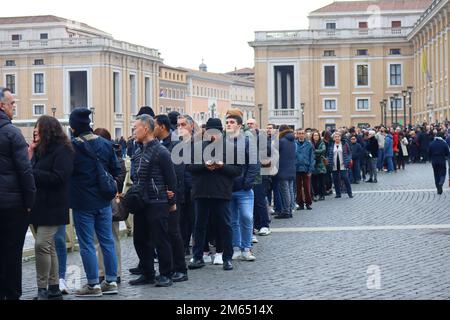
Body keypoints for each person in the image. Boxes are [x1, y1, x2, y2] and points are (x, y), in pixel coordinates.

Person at [69, 108, 121, 297]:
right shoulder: (106, 145)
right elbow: (116, 169)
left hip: (82, 202)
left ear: (73, 127)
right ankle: (111, 281)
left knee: (87, 244)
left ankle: (93, 285)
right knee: (107, 241)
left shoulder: (72, 147)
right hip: (104, 201)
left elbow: (66, 172)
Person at [28, 116, 74, 300]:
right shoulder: (40, 150)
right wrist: (30, 154)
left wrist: (33, 172)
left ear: (48, 130)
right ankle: (54, 288)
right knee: (50, 247)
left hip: (54, 207)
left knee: (41, 245)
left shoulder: (63, 150)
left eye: (38, 129)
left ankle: (42, 288)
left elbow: (59, 178)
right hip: (39, 206)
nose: (35, 132)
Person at [129, 114, 177, 287]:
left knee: (160, 239)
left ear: (146, 129)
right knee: (140, 239)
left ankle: (166, 274)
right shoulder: (137, 150)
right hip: (141, 201)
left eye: (136, 128)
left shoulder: (161, 151)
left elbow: (171, 179)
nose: (133, 131)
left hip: (158, 201)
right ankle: (148, 273)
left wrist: (172, 202)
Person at [187, 118, 242, 271]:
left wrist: (222, 166)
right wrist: (205, 166)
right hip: (202, 192)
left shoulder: (230, 147)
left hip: (221, 192)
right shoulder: (197, 147)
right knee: (199, 226)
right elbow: (189, 167)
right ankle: (197, 257)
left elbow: (237, 171)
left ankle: (227, 258)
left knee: (225, 225)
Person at [0, 87, 36, 300]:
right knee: (12, 252)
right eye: (12, 103)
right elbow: (25, 171)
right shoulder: (12, 133)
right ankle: (12, 295)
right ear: (2, 106)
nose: (14, 107)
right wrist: (30, 201)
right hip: (12, 204)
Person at [154, 114, 189, 282]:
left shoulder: (176, 145)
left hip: (172, 195)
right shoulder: (157, 144)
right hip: (160, 195)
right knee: (165, 233)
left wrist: (173, 195)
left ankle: (181, 268)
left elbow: (178, 173)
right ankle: (169, 267)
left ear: (162, 126)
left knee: (174, 232)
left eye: (153, 125)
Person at [93, 128, 127, 285]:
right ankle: (101, 272)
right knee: (98, 240)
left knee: (112, 238)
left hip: (110, 201)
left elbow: (119, 180)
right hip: (95, 201)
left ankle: (116, 272)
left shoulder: (116, 158)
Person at [226, 113, 259, 261]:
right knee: (233, 220)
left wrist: (247, 182)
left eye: (232, 122)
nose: (228, 124)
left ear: (239, 125)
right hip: (227, 188)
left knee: (246, 217)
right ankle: (236, 247)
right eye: (227, 122)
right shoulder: (221, 143)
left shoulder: (247, 142)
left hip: (243, 188)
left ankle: (247, 248)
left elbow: (254, 164)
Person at [274, 125, 296, 219]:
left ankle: (286, 211)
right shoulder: (292, 141)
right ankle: (290, 209)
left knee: (285, 191)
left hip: (283, 169)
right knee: (290, 190)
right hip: (291, 168)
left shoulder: (282, 141)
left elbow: (273, 152)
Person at [327, 132, 353, 199]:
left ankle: (350, 193)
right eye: (335, 137)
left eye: (338, 136)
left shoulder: (345, 144)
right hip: (334, 164)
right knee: (335, 180)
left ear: (340, 137)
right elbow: (328, 154)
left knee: (345, 178)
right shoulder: (331, 145)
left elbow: (349, 153)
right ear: (333, 138)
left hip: (343, 164)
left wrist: (348, 159)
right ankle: (338, 194)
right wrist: (329, 161)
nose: (337, 138)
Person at [294, 129, 315, 210]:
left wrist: (310, 169)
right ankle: (300, 204)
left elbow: (312, 158)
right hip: (297, 168)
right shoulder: (294, 144)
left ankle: (308, 203)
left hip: (306, 168)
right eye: (299, 133)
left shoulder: (309, 144)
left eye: (302, 133)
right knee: (298, 187)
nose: (301, 135)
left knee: (307, 187)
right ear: (297, 135)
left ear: (305, 134)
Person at [311, 131, 326, 201]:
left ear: (319, 136)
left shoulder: (322, 143)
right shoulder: (311, 143)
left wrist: (314, 151)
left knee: (321, 181)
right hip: (313, 164)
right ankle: (315, 194)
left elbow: (323, 150)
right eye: (314, 135)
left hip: (320, 164)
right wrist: (317, 151)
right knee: (314, 181)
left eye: (317, 135)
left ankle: (322, 194)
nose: (316, 136)